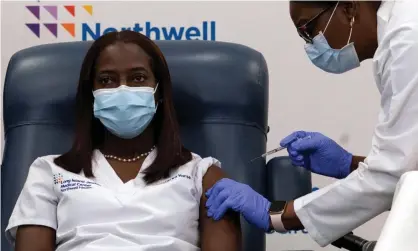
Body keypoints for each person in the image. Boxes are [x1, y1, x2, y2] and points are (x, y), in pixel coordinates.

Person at [206, 0, 418, 247]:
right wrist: (349, 164)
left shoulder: (407, 40)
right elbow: (405, 167)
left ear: (349, 9)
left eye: (307, 29)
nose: (310, 45)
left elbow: (392, 176)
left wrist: (275, 214)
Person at [5, 30, 241, 251]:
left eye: (138, 78)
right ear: (92, 94)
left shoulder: (203, 175)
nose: (122, 90)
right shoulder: (48, 172)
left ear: (158, 92)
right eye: (107, 81)